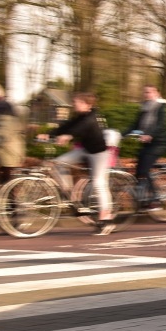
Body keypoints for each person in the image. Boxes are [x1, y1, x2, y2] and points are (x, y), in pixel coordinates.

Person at [37, 91, 114, 235]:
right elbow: (67, 125)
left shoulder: (92, 117)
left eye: (77, 102)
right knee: (57, 163)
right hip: (85, 150)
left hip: (99, 153)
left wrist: (69, 136)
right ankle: (68, 191)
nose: (74, 104)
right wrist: (50, 134)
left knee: (98, 183)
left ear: (87, 104)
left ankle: (106, 219)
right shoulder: (79, 117)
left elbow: (82, 128)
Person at [124, 84, 166, 210]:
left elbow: (160, 125)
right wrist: (120, 134)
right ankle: (143, 200)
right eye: (145, 92)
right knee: (138, 171)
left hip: (158, 143)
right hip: (146, 143)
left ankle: (155, 198)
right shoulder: (144, 108)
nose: (146, 94)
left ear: (156, 93)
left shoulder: (160, 107)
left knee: (144, 170)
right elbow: (135, 125)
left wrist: (150, 134)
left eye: (149, 92)